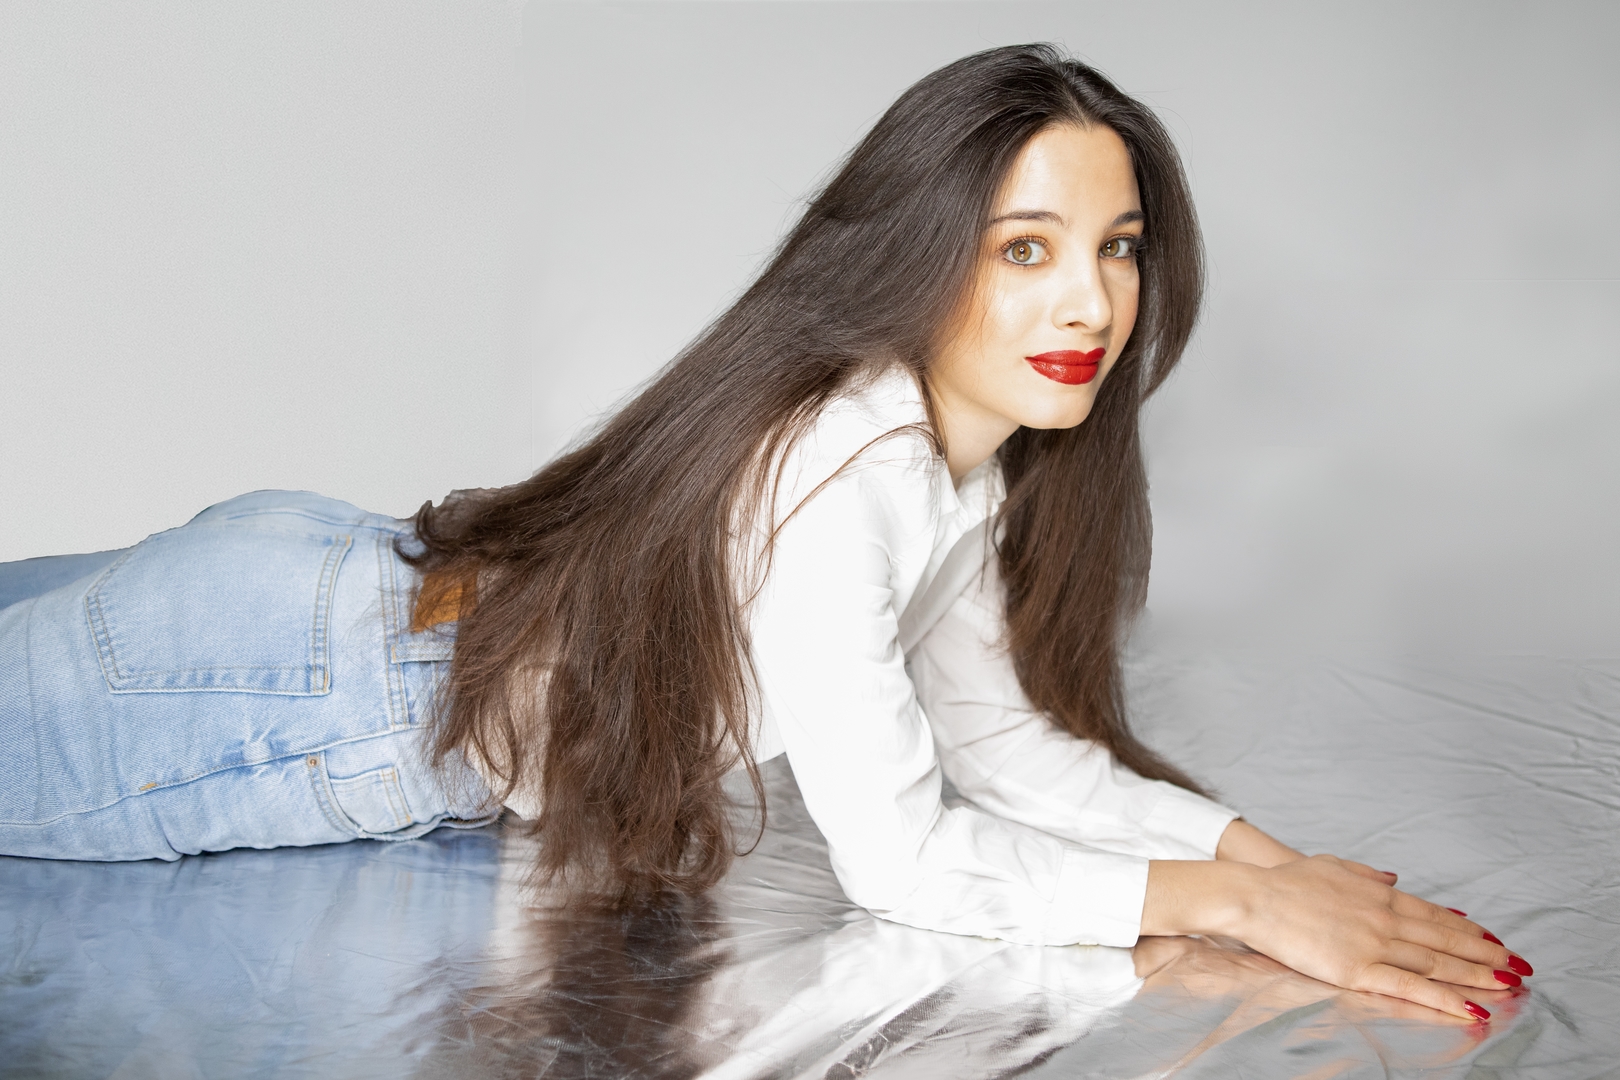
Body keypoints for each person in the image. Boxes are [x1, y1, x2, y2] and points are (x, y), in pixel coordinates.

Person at [0, 43, 1529, 1023]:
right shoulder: (849, 474)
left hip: (336, 609)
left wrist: (1272, 861)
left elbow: (1000, 747)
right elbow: (904, 860)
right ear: (924, 252)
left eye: (1118, 246)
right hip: (302, 687)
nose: (1091, 301)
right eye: (1027, 250)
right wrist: (1239, 905)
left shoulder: (946, 467)